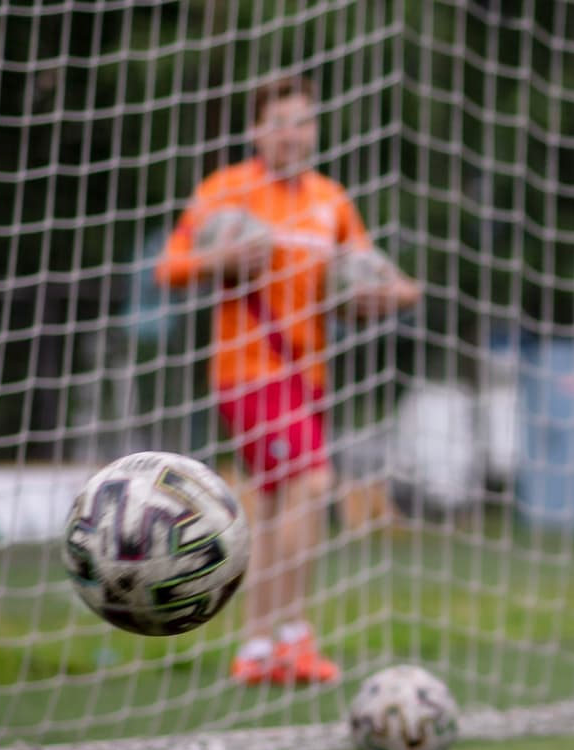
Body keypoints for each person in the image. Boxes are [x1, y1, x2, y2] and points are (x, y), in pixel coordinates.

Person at [158, 73, 420, 685]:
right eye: (279, 122)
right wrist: (217, 260)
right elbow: (168, 266)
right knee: (313, 481)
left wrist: (395, 296)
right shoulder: (227, 191)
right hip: (247, 370)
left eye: (302, 121)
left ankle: (256, 649)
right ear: (256, 131)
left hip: (307, 374)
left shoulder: (331, 200)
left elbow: (379, 275)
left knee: (276, 505)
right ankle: (294, 635)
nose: (292, 134)